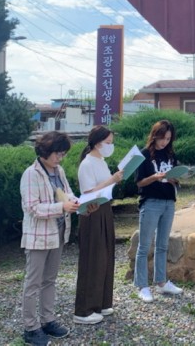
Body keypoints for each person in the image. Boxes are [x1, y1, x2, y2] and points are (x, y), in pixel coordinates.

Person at [20, 131, 79, 346]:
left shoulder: (59, 170)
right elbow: (32, 207)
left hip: (58, 232)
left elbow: (68, 192)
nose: (60, 158)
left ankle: (48, 319)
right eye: (57, 153)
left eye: (63, 154)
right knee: (33, 282)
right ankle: (30, 327)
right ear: (45, 151)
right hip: (38, 236)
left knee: (50, 280)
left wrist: (75, 202)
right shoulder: (31, 174)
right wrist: (61, 207)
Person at [73, 125, 124, 324]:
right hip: (92, 211)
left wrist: (115, 179)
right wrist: (112, 179)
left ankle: (101, 302)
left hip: (104, 209)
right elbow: (88, 193)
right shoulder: (87, 164)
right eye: (108, 143)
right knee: (93, 258)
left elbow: (104, 186)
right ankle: (84, 310)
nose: (110, 146)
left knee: (105, 255)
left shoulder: (100, 160)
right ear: (97, 142)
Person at [133, 119, 184, 302]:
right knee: (144, 245)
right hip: (151, 202)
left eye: (168, 138)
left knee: (163, 244)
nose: (165, 142)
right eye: (162, 138)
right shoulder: (144, 154)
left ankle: (161, 282)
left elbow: (174, 177)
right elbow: (139, 182)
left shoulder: (171, 155)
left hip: (169, 202)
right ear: (155, 136)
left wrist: (174, 179)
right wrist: (155, 177)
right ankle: (142, 285)